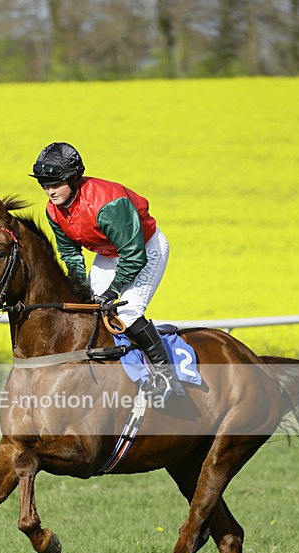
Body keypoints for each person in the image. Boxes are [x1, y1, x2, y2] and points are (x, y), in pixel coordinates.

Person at [30, 141, 184, 398]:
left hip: (145, 249)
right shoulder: (53, 211)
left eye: (55, 183)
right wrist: (78, 288)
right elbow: (70, 253)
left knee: (129, 313)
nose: (49, 191)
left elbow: (134, 255)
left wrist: (113, 291)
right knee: (89, 311)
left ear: (74, 179)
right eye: (44, 184)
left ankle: (167, 378)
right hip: (109, 253)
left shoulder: (107, 204)